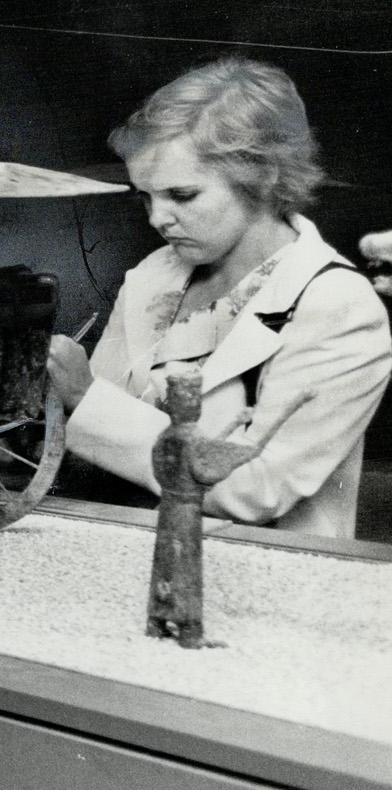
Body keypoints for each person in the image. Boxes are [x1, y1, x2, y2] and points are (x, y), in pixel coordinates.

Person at [47, 57, 392, 538]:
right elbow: (87, 443)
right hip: (118, 544)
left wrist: (84, 397)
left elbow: (258, 487)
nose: (157, 218)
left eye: (181, 195)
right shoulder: (154, 274)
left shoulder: (339, 305)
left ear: (263, 177)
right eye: (145, 197)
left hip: (262, 574)